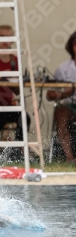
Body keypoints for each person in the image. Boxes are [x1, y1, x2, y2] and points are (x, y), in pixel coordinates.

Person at [47, 32, 76, 162]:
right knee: (61, 114)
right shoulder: (63, 68)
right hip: (71, 105)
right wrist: (65, 94)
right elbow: (50, 94)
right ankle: (70, 158)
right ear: (72, 46)